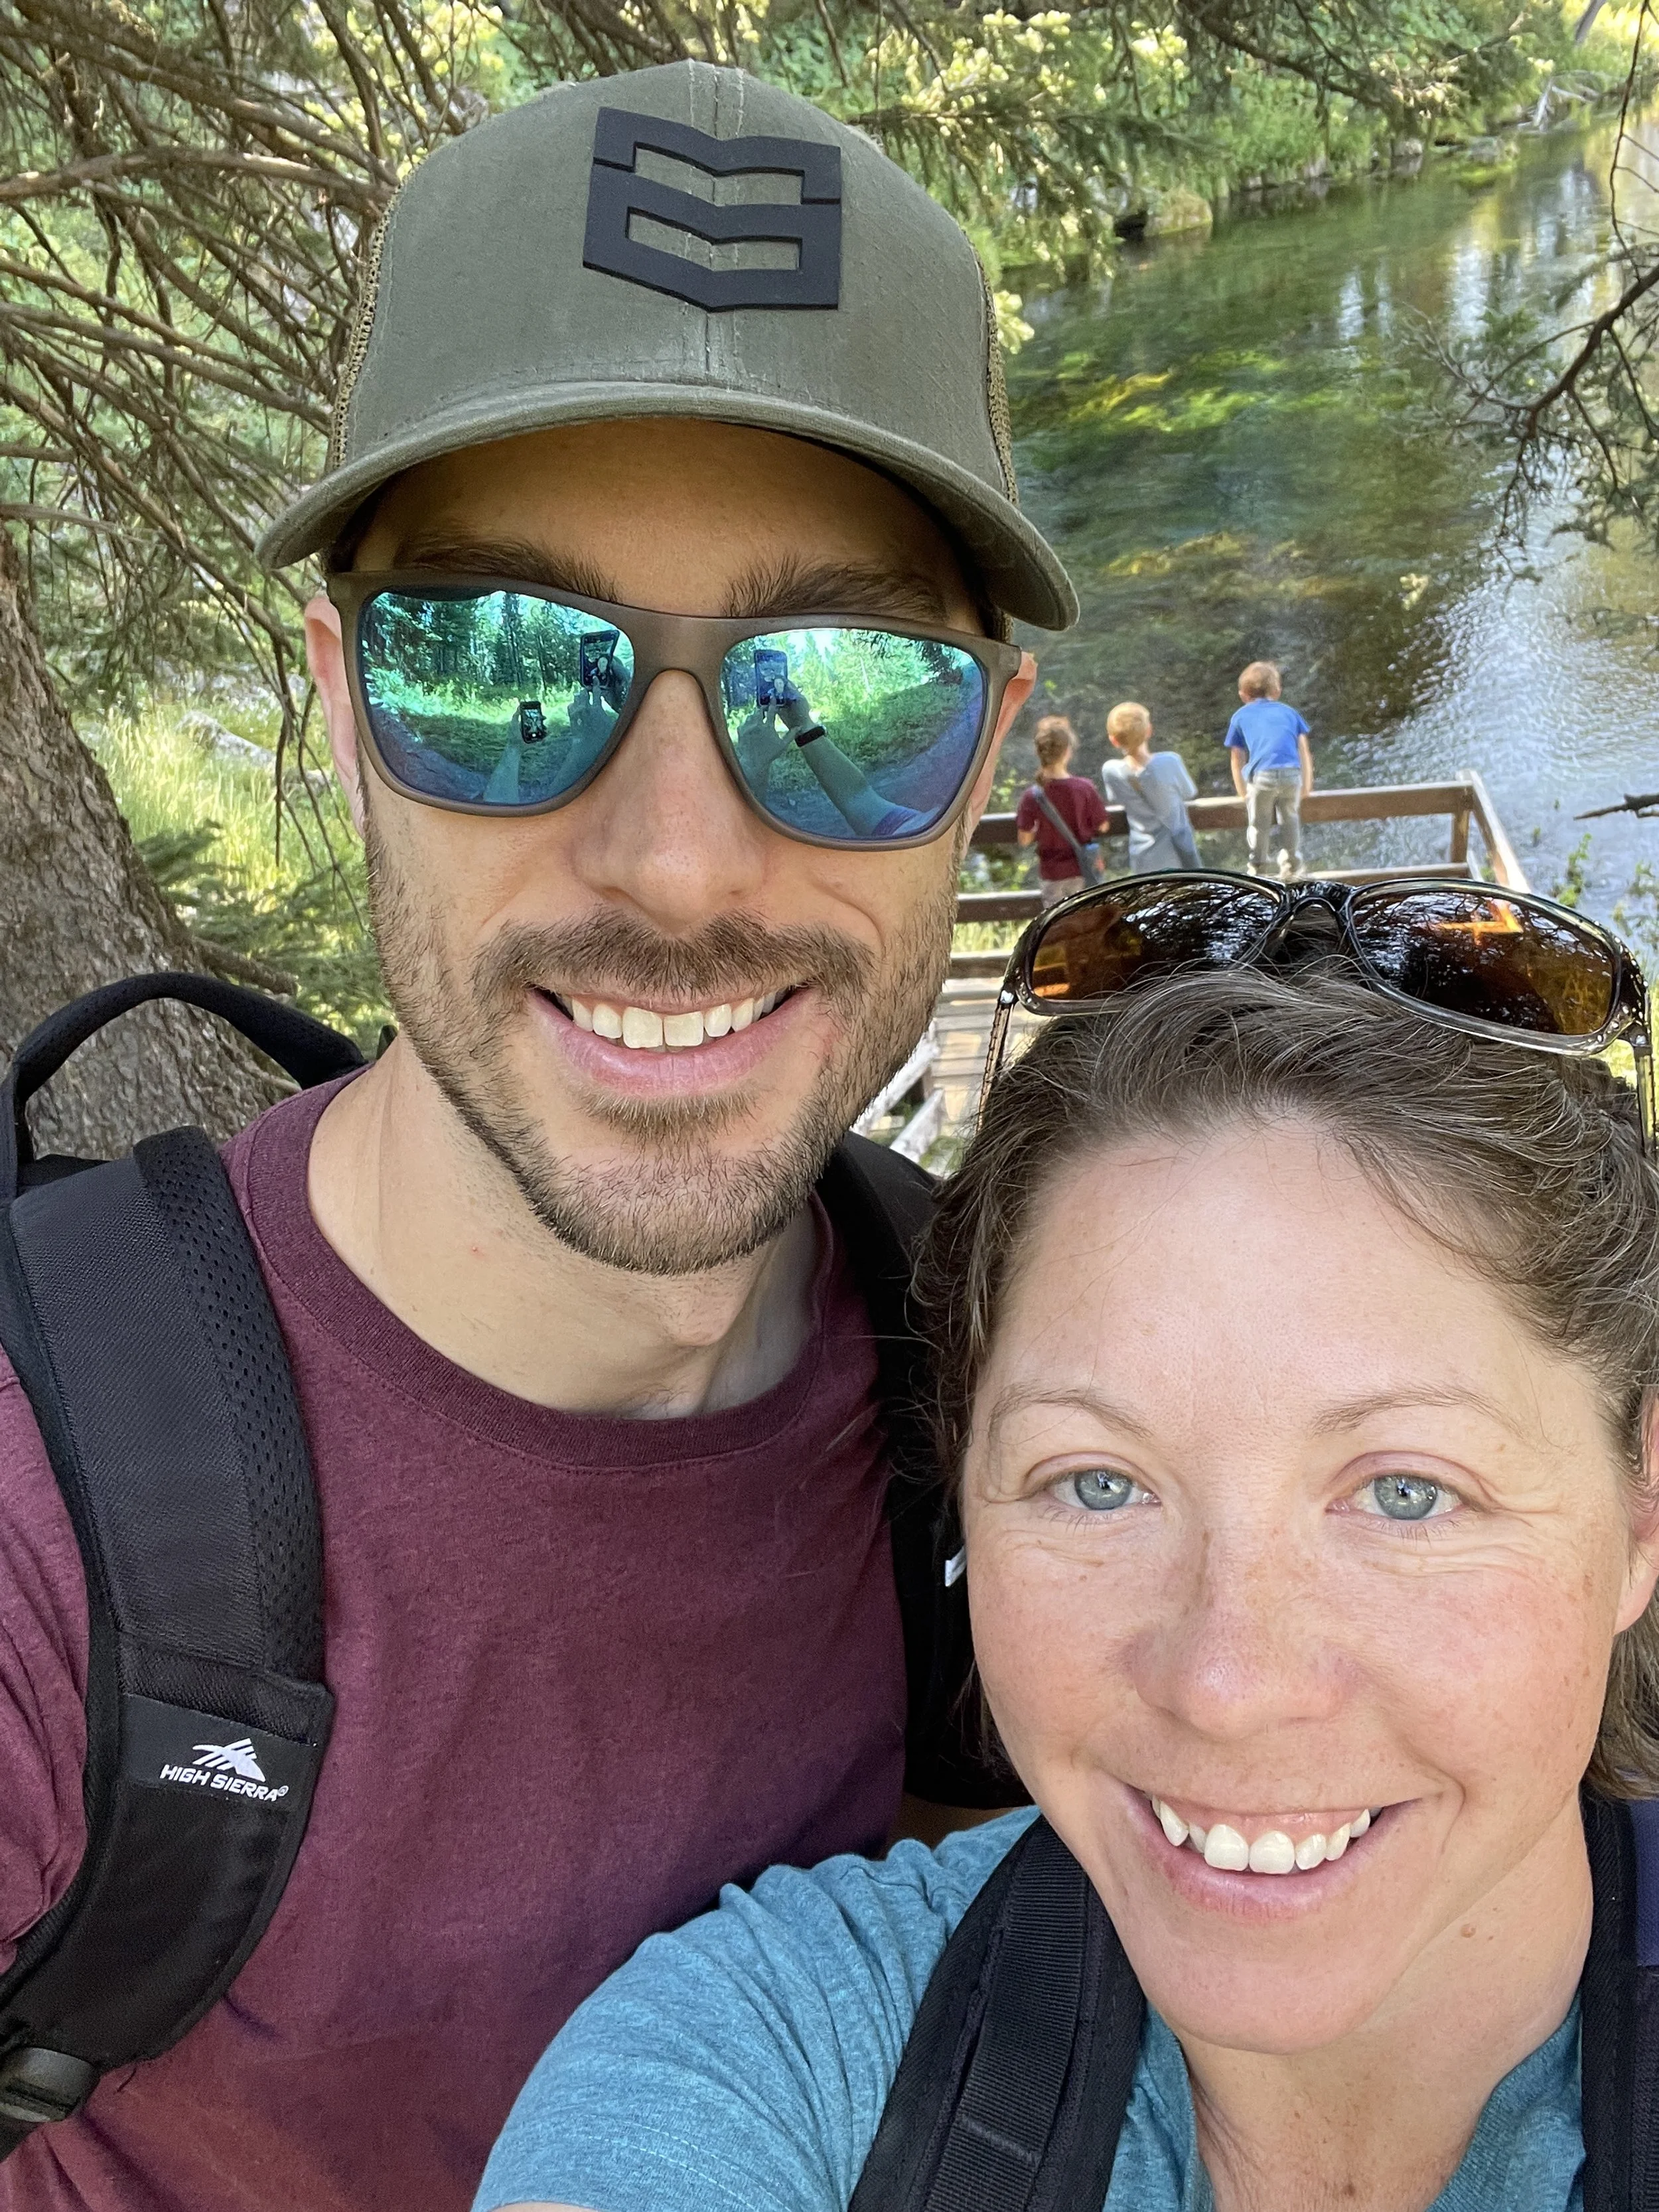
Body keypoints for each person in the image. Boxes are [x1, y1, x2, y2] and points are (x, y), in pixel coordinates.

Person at [0, 60, 1070, 2212]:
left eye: (842, 696)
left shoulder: (1018, 1388)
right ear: (333, 699)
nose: (676, 865)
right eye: (501, 662)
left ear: (989, 765)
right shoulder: (42, 1515)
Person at [473, 890, 1659, 2212]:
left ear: (1639, 1507)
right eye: (1097, 1482)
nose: (1225, 1684)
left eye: (1403, 1494)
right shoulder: (770, 2055)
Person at [1225, 660, 1313, 879]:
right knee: (1290, 819)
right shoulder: (1289, 713)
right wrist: (1307, 784)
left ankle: (1258, 869)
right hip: (1291, 774)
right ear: (1277, 691)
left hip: (1262, 776)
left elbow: (1237, 757)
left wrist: (1242, 791)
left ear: (1243, 695)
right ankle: (1293, 866)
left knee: (1259, 824)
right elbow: (1303, 748)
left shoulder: (1240, 716)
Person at [1099, 700, 1200, 872]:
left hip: (1143, 857)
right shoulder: (1170, 761)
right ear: (1149, 731)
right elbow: (1189, 792)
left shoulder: (1111, 771)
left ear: (1114, 740)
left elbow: (1114, 798)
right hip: (1179, 855)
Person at [1015, 715, 1108, 904]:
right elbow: (1103, 825)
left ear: (1038, 752)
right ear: (1068, 752)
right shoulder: (1085, 788)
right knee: (1086, 918)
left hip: (1052, 874)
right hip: (1082, 869)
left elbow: (1024, 839)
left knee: (1058, 925)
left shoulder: (1032, 796)